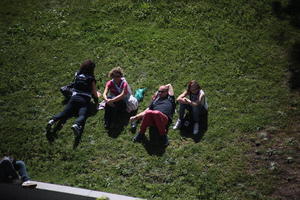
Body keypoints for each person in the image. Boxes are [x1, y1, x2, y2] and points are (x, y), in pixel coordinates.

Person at [46, 60, 98, 144]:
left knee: (65, 112)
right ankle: (76, 124)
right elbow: (94, 93)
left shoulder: (78, 75)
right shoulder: (91, 78)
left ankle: (52, 121)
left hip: (74, 98)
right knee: (82, 115)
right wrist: (96, 101)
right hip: (84, 100)